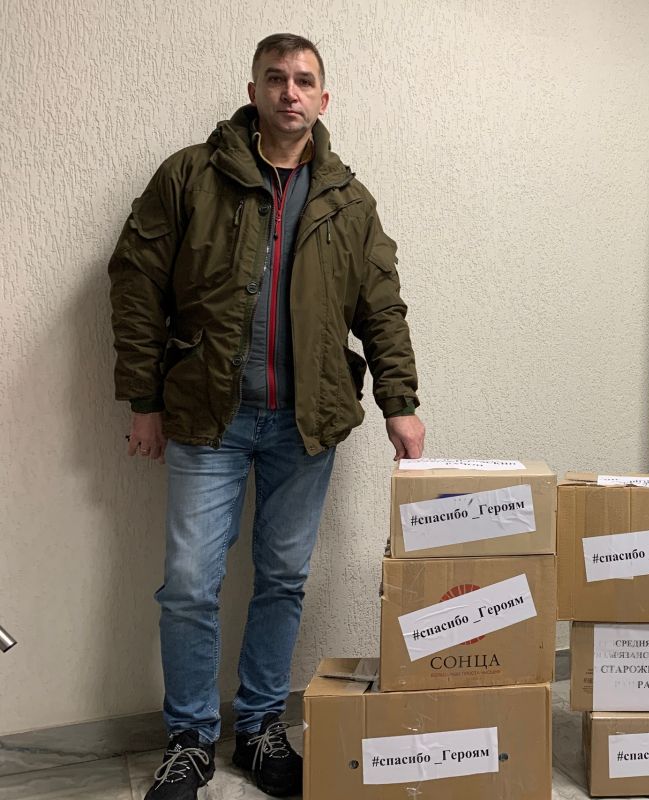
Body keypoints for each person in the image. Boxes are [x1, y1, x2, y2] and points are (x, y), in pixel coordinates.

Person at [108, 33, 425, 800]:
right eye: (276, 78)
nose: (290, 91)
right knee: (190, 583)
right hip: (206, 418)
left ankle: (258, 730)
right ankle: (189, 741)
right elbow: (136, 283)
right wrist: (144, 400)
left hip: (305, 423)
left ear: (323, 98)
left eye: (304, 80)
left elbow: (381, 307)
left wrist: (401, 403)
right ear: (253, 91)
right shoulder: (191, 175)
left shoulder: (348, 201)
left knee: (282, 579)